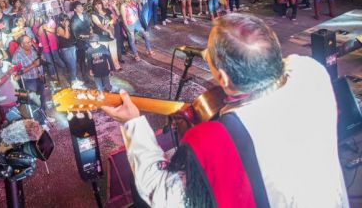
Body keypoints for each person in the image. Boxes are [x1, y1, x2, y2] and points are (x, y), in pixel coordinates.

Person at [102, 14, 348, 208]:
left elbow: (164, 194)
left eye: (208, 55)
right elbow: (280, 64)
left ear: (224, 78)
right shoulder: (310, 72)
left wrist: (132, 123)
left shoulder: (217, 139)